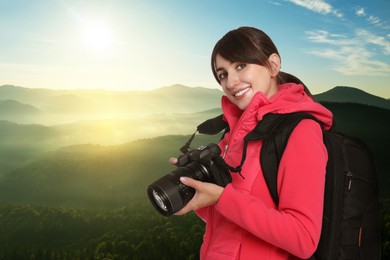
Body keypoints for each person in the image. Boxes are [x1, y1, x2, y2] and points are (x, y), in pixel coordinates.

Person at [170, 26, 333, 259]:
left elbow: (303, 238)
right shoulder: (233, 134)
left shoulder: (300, 131)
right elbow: (231, 222)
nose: (231, 81)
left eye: (240, 66)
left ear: (273, 65)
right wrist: (197, 193)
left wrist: (222, 197)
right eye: (222, 74)